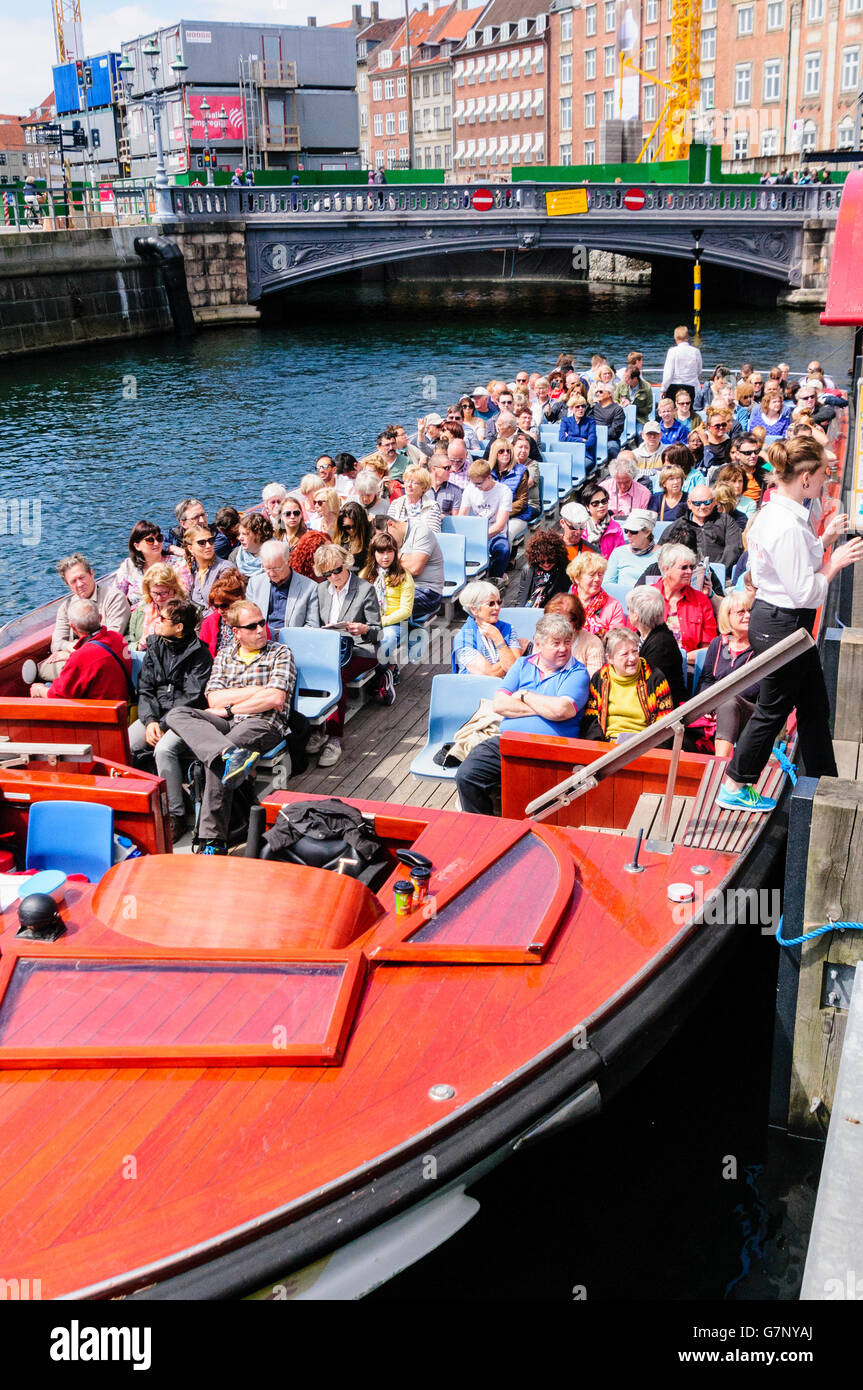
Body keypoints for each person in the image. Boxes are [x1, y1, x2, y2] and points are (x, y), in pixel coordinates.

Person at [718, 437, 863, 812]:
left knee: (814, 705)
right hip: (783, 624)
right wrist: (836, 561)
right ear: (803, 478)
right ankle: (736, 783)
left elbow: (797, 561)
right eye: (822, 474)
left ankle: (824, 779)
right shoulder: (787, 525)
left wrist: (825, 539)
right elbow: (804, 591)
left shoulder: (779, 514)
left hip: (782, 622)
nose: (826, 480)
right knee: (773, 708)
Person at [165, 601, 297, 854]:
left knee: (220, 758)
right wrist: (257, 691)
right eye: (252, 626)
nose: (260, 629)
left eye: (262, 623)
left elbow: (275, 699)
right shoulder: (225, 655)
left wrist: (231, 706)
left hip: (263, 722)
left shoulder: (280, 652)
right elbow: (213, 698)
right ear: (236, 631)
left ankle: (212, 841)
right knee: (177, 714)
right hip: (226, 720)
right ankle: (226, 755)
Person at [454, 614, 592, 816]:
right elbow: (500, 704)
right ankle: (482, 830)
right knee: (467, 775)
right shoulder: (522, 665)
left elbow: (562, 710)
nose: (563, 648)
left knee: (525, 795)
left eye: (567, 642)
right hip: (508, 742)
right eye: (556, 643)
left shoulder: (577, 672)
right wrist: (545, 706)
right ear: (539, 643)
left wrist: (525, 696)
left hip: (552, 750)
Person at [129, 598, 213, 842]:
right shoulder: (155, 647)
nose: (157, 621)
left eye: (163, 619)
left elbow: (193, 697)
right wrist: (151, 720)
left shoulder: (200, 655)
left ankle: (175, 814)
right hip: (154, 714)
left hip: (185, 717)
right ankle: (144, 803)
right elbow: (145, 688)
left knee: (165, 750)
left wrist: (165, 724)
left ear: (179, 627)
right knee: (128, 743)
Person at [312, 543, 385, 763]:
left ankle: (334, 736)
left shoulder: (364, 589)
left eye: (337, 570)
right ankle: (317, 727)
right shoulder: (321, 590)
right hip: (331, 648)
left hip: (361, 649)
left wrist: (363, 629)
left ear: (346, 565)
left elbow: (378, 633)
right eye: (327, 574)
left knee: (335, 676)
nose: (334, 577)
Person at [38, 552, 131, 682]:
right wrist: (69, 648)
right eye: (73, 581)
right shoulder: (66, 608)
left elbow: (112, 637)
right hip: (78, 661)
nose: (80, 584)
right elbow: (57, 643)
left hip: (107, 660)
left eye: (82, 577)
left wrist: (74, 653)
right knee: (43, 669)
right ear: (67, 585)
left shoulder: (114, 598)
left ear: (92, 574)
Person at [580, 627, 674, 743]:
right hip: (609, 744)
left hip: (645, 744)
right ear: (610, 658)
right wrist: (599, 747)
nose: (633, 658)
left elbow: (665, 720)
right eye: (625, 654)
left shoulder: (654, 677)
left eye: (635, 651)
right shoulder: (600, 678)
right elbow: (591, 719)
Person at [695, 592, 760, 760]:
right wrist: (708, 704)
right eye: (741, 612)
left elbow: (756, 688)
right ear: (727, 617)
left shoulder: (760, 647)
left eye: (750, 611)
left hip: (748, 711)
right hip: (717, 709)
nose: (748, 616)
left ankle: (719, 767)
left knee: (728, 704)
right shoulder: (718, 643)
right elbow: (707, 679)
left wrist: (718, 702)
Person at [30, 599, 133, 702]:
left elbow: (59, 695)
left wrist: (39, 690)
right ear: (100, 618)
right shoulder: (117, 637)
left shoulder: (81, 658)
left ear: (73, 627)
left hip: (101, 713)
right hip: (125, 702)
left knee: (45, 689)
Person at [360, 530, 414, 672]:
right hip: (369, 621)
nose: (385, 557)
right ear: (373, 553)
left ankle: (383, 674)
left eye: (389, 552)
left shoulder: (404, 576)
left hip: (394, 623)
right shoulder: (365, 574)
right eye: (381, 552)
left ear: (395, 553)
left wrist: (382, 622)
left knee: (386, 640)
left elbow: (406, 610)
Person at [626, 584, 688, 708]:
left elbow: (648, 685)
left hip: (663, 708)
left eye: (629, 610)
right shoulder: (640, 635)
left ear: (636, 616)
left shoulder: (662, 645)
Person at [652, 543, 718, 656]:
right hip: (652, 662)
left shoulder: (701, 600)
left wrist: (682, 659)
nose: (689, 571)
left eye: (691, 567)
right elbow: (633, 636)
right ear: (666, 569)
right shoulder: (648, 595)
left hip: (688, 664)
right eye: (684, 567)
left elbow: (708, 647)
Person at [452, 581, 528, 675]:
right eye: (491, 603)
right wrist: (514, 656)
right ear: (474, 609)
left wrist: (498, 639)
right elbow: (489, 674)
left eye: (499, 602)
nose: (497, 607)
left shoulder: (508, 628)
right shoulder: (463, 639)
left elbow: (514, 669)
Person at [380, 515, 445, 622]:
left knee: (389, 604)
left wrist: (390, 554)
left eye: (387, 537)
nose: (386, 544)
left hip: (426, 591)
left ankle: (394, 636)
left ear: (391, 524)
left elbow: (414, 568)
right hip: (399, 588)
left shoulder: (421, 532)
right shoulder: (395, 540)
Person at [246, 539, 320, 632]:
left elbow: (312, 626)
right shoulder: (255, 584)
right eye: (267, 568)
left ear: (288, 562)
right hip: (262, 640)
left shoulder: (310, 588)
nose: (272, 573)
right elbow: (248, 619)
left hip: (293, 641)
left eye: (276, 568)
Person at [458, 460, 513, 581]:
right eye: (474, 484)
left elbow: (500, 525)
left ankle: (494, 578)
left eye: (479, 483)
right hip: (475, 533)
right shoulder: (470, 489)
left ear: (489, 477)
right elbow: (462, 516)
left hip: (494, 534)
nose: (476, 487)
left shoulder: (504, 491)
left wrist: (479, 537)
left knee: (503, 549)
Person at [128, 562, 189, 651]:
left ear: (174, 589)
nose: (159, 598)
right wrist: (139, 646)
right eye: (155, 593)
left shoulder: (189, 612)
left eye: (164, 593)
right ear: (148, 591)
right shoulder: (139, 612)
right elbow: (127, 642)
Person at [568, 551, 626, 638]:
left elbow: (616, 641)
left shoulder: (613, 606)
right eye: (591, 575)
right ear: (577, 578)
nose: (597, 579)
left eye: (600, 575)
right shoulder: (565, 604)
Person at [544, 592, 604, 675]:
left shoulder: (593, 643)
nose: (557, 624)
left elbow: (593, 681)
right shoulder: (542, 638)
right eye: (553, 619)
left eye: (562, 620)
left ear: (575, 620)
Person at [686, 484, 744, 571]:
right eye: (697, 503)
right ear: (689, 504)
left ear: (714, 502)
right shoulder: (680, 525)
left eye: (707, 502)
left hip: (720, 575)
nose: (702, 507)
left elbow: (733, 549)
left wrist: (717, 571)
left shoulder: (726, 521)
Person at [113, 521, 169, 608]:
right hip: (135, 618)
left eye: (159, 538)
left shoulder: (178, 564)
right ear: (137, 546)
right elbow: (116, 596)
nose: (156, 543)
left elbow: (183, 595)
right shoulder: (128, 566)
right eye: (150, 540)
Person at [515, 529, 572, 608]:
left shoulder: (567, 570)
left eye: (551, 560)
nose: (546, 564)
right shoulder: (528, 570)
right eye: (541, 561)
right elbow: (521, 597)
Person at [198, 569, 250, 657]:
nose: (220, 610)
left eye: (224, 605)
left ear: (239, 600)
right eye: (216, 606)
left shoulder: (255, 622)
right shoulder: (208, 623)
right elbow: (201, 657)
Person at [604, 509, 659, 589]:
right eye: (626, 530)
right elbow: (607, 585)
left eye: (633, 531)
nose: (628, 535)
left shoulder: (663, 554)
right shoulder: (618, 553)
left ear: (647, 532)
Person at [184, 526, 234, 609]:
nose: (208, 546)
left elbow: (226, 606)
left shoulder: (226, 569)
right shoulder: (190, 570)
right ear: (190, 548)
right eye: (202, 543)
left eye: (211, 541)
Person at [387, 465, 442, 533]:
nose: (409, 485)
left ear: (424, 487)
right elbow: (388, 528)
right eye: (407, 481)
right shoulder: (396, 503)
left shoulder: (432, 506)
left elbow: (433, 533)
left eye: (414, 483)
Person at [580, 483, 625, 558]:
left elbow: (620, 557)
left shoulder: (616, 529)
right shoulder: (580, 529)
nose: (601, 506)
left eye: (604, 501)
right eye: (595, 503)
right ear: (587, 507)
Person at [604, 454, 652, 518]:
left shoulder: (644, 494)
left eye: (626, 482)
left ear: (633, 477)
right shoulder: (603, 488)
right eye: (619, 482)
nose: (623, 486)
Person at [661, 325, 703, 398]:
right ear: (688, 337)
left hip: (675, 388)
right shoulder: (696, 351)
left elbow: (668, 374)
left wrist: (663, 389)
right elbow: (699, 371)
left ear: (675, 338)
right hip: (692, 387)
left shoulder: (672, 351)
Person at [557, 393, 597, 465]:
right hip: (568, 454)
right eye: (577, 406)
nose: (581, 409)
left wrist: (569, 438)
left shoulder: (591, 422)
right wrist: (581, 440)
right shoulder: (565, 421)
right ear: (571, 408)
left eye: (583, 406)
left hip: (585, 455)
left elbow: (591, 442)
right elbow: (562, 438)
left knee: (575, 466)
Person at [334, 501, 374, 571]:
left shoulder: (371, 538)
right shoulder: (342, 537)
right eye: (347, 527)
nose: (352, 530)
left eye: (355, 526)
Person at [233, 511, 274, 578]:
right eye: (239, 534)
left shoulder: (278, 555)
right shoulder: (235, 556)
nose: (240, 538)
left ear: (258, 534)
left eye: (244, 534)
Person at [590, 384, 625, 461]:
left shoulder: (617, 410)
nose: (598, 394)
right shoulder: (594, 407)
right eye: (597, 392)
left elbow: (615, 431)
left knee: (613, 448)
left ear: (609, 394)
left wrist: (600, 436)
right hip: (592, 438)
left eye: (601, 392)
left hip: (609, 440)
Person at [648, 459, 688, 523]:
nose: (675, 482)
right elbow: (651, 521)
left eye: (678, 478)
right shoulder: (656, 498)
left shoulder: (688, 498)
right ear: (664, 483)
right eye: (671, 479)